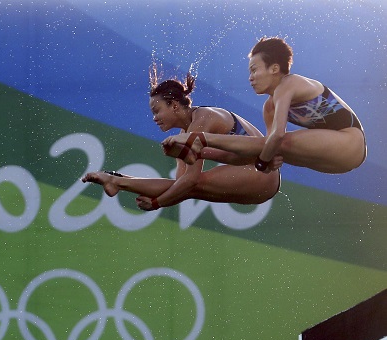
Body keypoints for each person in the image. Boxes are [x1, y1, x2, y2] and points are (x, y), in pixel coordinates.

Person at [161, 36, 366, 174]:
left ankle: (199, 140)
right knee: (268, 148)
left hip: (351, 141)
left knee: (279, 142)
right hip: (338, 162)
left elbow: (277, 137)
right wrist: (267, 163)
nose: (250, 78)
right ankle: (198, 149)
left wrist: (264, 161)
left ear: (274, 68)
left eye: (254, 70)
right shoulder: (269, 108)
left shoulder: (290, 83)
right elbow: (266, 153)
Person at [81, 70, 280, 211]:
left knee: (192, 186)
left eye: (157, 110)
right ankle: (115, 179)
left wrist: (158, 203)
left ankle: (116, 182)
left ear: (174, 105)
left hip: (263, 174)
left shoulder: (203, 119)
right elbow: (179, 184)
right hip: (257, 181)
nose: (154, 118)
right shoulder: (186, 133)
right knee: (183, 187)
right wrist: (131, 184)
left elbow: (190, 182)